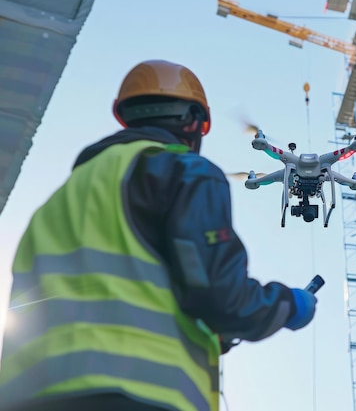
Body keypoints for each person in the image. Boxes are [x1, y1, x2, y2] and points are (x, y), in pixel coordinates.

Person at [0, 59, 317, 411]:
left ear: (127, 116)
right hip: (135, 394)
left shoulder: (58, 202)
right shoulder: (185, 171)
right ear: (195, 122)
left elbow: (113, 290)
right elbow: (220, 295)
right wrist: (288, 305)